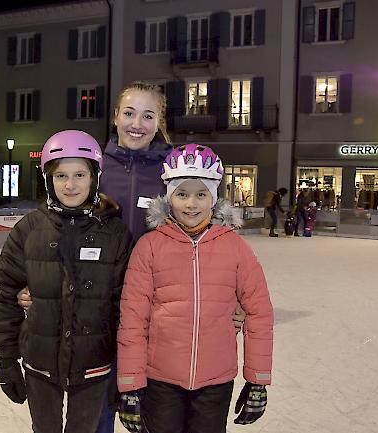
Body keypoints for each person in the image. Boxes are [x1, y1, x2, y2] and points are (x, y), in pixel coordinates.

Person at [17, 81, 247, 433]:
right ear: (115, 117)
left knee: (156, 407)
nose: (136, 123)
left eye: (147, 115)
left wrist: (228, 297)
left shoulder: (173, 168)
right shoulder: (93, 165)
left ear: (159, 122)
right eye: (128, 113)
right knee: (98, 404)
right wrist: (38, 284)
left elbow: (210, 232)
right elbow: (53, 227)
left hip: (157, 304)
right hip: (94, 303)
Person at [116, 144, 274, 433]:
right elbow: (133, 320)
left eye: (201, 194)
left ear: (213, 198)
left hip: (215, 382)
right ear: (169, 197)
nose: (191, 204)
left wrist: (258, 380)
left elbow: (259, 313)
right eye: (182, 194)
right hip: (160, 380)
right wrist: (130, 385)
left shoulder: (235, 248)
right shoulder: (149, 247)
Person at [0, 130, 134, 433]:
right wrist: (7, 361)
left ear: (94, 177)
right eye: (61, 176)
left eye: (80, 174)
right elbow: (6, 297)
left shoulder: (115, 234)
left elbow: (126, 306)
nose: (70, 185)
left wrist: (126, 369)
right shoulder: (28, 230)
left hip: (94, 363)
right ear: (48, 181)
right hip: (40, 361)